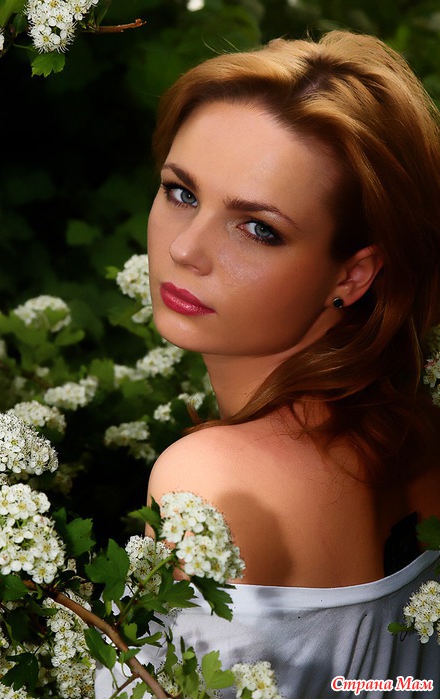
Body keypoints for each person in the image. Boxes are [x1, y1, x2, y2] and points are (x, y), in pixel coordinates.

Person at [96, 30, 440, 697]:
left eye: (259, 228)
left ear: (354, 274)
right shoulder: (420, 438)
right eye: (181, 192)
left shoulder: (209, 478)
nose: (187, 249)